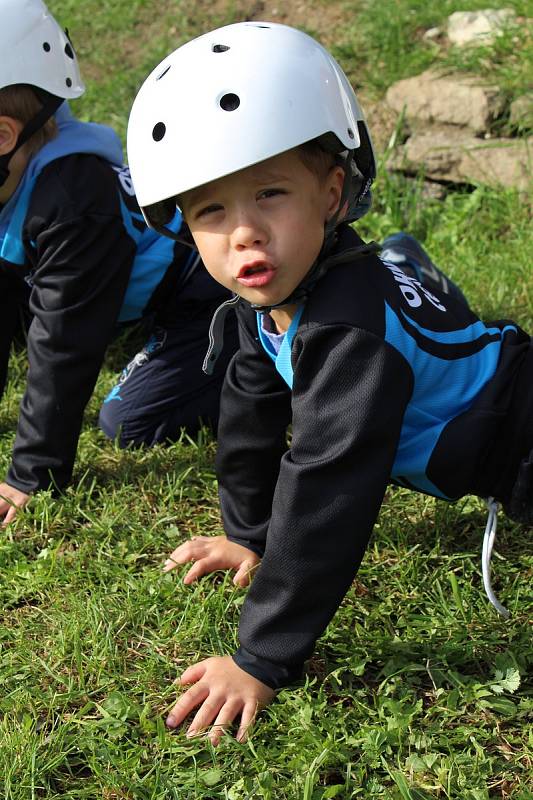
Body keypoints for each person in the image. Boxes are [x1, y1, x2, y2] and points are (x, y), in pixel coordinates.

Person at [126, 22, 532, 744]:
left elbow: (328, 487)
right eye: (211, 211)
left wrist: (261, 656)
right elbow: (248, 422)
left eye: (270, 193)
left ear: (332, 193)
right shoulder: (264, 306)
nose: (243, 233)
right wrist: (247, 535)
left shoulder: (347, 330)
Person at [0, 0, 237, 525]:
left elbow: (65, 342)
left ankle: (262, 357)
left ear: (3, 136)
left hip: (207, 293)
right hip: (113, 285)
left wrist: (31, 475)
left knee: (127, 421)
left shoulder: (70, 201)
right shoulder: (19, 171)